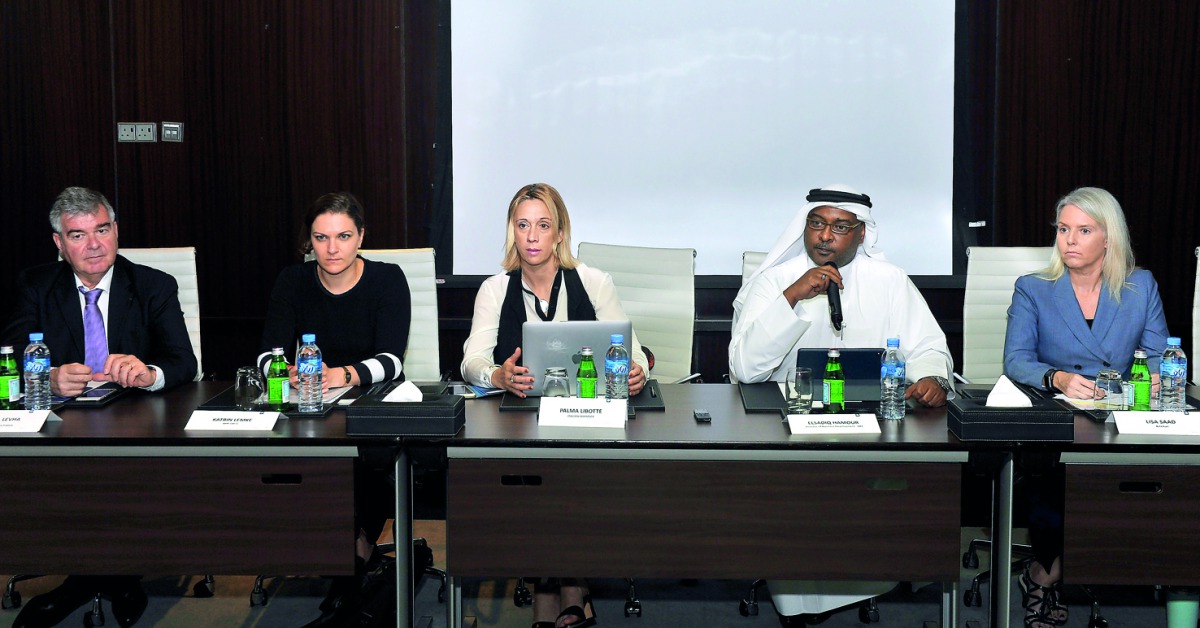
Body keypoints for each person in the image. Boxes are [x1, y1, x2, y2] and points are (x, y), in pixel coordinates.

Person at [729, 184, 954, 625]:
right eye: (816, 224)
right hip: (788, 429)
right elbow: (745, 368)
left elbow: (928, 345)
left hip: (871, 428)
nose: (824, 236)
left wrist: (931, 376)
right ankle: (799, 603)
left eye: (839, 227)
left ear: (862, 234)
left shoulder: (889, 281)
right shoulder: (775, 280)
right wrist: (791, 297)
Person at [2, 186, 197, 628]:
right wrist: (47, 376)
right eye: (77, 235)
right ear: (59, 243)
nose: (93, 245)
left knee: (120, 475)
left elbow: (184, 361)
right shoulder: (36, 285)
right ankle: (105, 574)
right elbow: (10, 351)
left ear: (115, 231)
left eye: (102, 230)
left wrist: (148, 372)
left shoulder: (153, 285)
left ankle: (106, 573)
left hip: (136, 425)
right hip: (59, 426)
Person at [460, 182, 648, 627]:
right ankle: (567, 589)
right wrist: (498, 375)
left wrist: (637, 371)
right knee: (538, 482)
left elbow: (635, 352)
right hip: (521, 424)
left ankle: (560, 587)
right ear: (512, 232)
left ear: (559, 233)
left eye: (543, 226)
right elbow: (471, 362)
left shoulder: (594, 281)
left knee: (571, 477)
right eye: (522, 225)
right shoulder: (493, 289)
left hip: (587, 420)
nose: (532, 236)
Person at [1003, 186, 1168, 628]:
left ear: (1108, 238)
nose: (1069, 240)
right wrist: (1057, 377)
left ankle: (1089, 567)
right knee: (1051, 469)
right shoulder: (1034, 288)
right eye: (1063, 229)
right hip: (1056, 417)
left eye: (1083, 230)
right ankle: (1044, 572)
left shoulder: (1140, 285)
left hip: (1121, 417)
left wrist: (1149, 377)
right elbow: (1016, 359)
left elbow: (1158, 355)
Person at [258, 192, 411, 628]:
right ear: (310, 241)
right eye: (321, 237)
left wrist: (339, 375)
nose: (332, 248)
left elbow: (393, 359)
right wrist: (288, 372)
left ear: (361, 236)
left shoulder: (387, 279)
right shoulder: (292, 281)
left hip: (371, 404)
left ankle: (355, 554)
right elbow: (266, 356)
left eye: (343, 236)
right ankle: (343, 555)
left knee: (370, 455)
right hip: (307, 407)